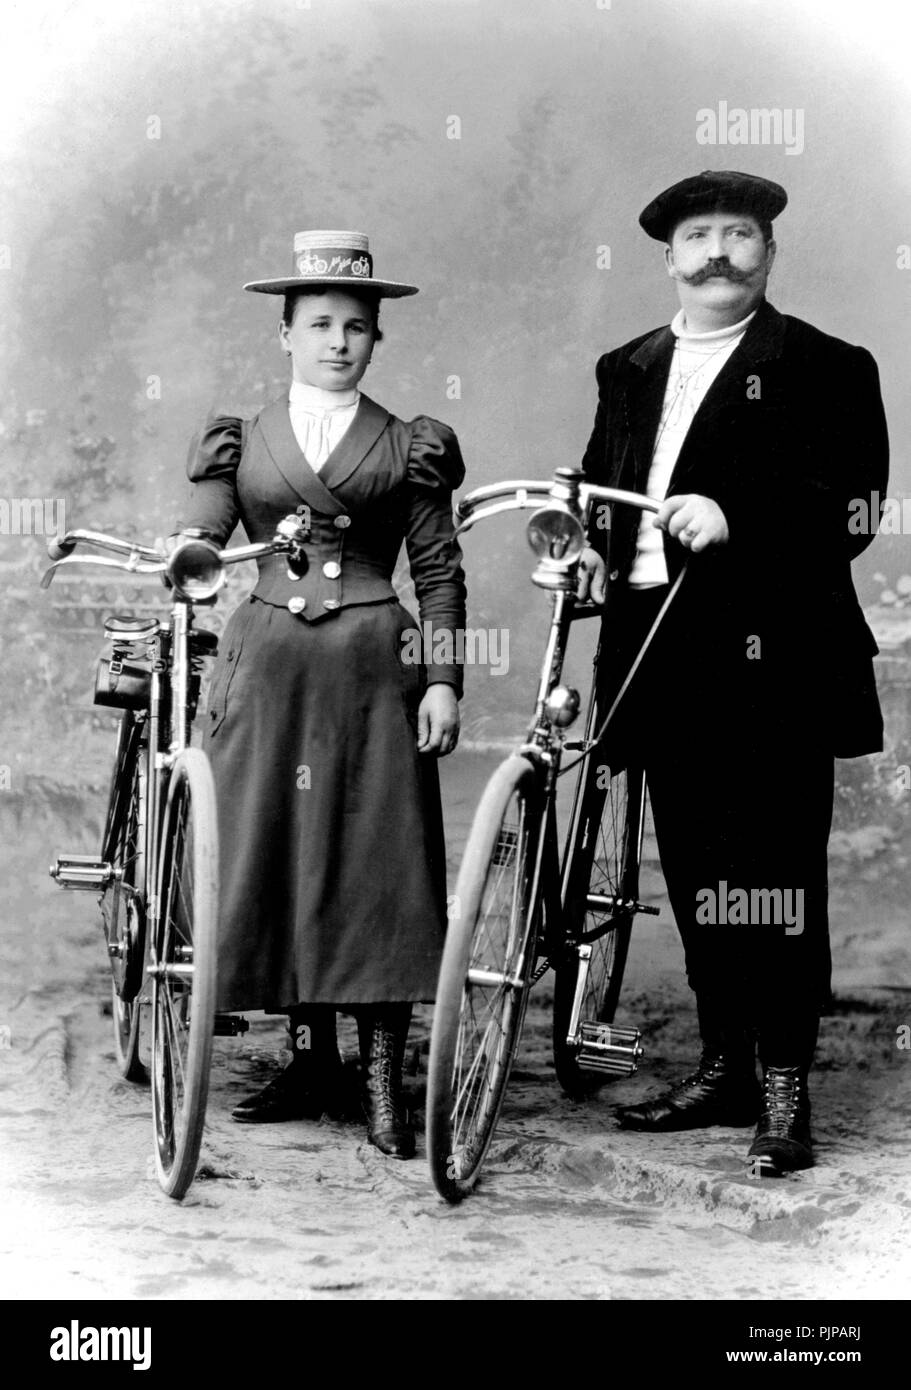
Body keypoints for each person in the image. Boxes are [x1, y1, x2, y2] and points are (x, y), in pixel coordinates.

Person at [575, 171, 888, 1175]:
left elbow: (851, 509)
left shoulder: (824, 365)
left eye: (739, 234)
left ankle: (785, 1086)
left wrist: (734, 519)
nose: (717, 252)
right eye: (697, 236)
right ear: (667, 257)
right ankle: (725, 1064)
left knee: (772, 873)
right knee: (698, 868)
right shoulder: (624, 366)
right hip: (657, 655)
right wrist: (587, 533)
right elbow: (599, 484)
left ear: (767, 251)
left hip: (773, 659)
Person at [173, 229, 466, 1160]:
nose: (338, 342)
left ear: (376, 338)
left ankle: (381, 1081)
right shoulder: (242, 438)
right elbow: (209, 537)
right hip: (266, 667)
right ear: (286, 334)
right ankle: (310, 1061)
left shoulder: (410, 442)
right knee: (278, 851)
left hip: (374, 667)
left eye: (356, 327)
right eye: (319, 325)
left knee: (376, 863)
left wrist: (444, 680)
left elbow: (441, 573)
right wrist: (191, 552)